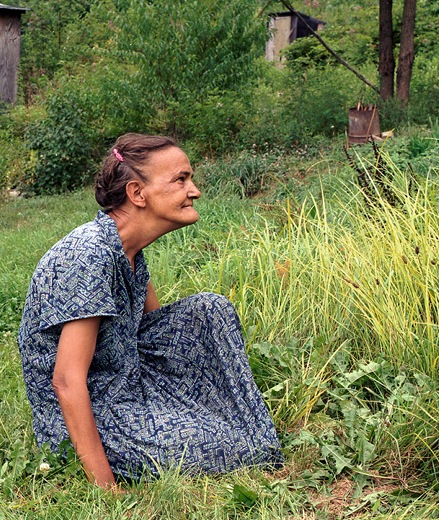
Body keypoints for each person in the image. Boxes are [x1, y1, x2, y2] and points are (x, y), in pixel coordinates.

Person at [18, 133, 282, 490]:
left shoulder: (128, 251)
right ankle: (242, 435)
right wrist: (106, 491)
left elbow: (155, 335)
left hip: (128, 387)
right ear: (137, 194)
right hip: (94, 415)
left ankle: (231, 426)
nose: (195, 190)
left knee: (209, 311)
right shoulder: (88, 255)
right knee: (239, 448)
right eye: (181, 179)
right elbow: (66, 381)